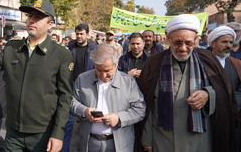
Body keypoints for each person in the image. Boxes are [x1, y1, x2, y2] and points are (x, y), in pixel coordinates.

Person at [0, 0, 73, 152]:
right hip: (13, 132)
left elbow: (65, 98)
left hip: (42, 134)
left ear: (50, 24)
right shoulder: (11, 48)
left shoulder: (61, 55)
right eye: (30, 16)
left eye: (38, 17)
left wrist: (58, 134)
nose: (32, 20)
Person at [135, 14, 237, 152]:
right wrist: (147, 138)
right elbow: (145, 102)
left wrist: (208, 94)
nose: (183, 48)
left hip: (200, 139)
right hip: (163, 139)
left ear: (196, 40)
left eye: (188, 43)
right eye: (177, 42)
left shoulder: (208, 59)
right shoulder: (154, 62)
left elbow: (225, 93)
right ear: (168, 37)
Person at [71, 44, 146, 152]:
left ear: (116, 64)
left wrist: (119, 118)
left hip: (119, 145)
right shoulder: (82, 79)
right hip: (89, 143)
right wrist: (84, 111)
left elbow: (140, 109)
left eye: (107, 70)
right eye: (99, 70)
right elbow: (71, 102)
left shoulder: (128, 82)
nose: (103, 75)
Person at [63, 23, 97, 152]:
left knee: (88, 122)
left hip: (89, 90)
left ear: (87, 35)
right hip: (71, 89)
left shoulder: (94, 49)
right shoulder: (69, 48)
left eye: (81, 34)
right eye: (77, 34)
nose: (79, 36)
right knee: (68, 123)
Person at [207, 25, 241, 151]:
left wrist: (231, 103)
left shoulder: (236, 64)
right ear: (213, 43)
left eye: (231, 42)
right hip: (210, 118)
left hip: (232, 117)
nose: (228, 45)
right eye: (224, 42)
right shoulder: (202, 62)